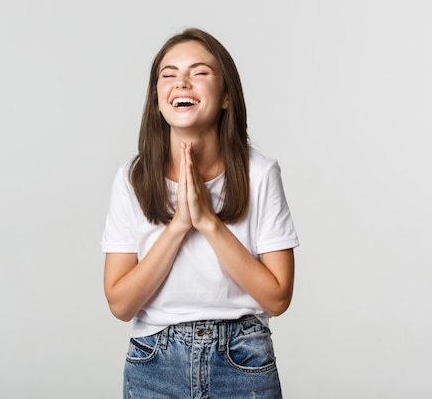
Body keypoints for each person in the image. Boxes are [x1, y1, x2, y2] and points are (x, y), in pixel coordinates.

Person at [101, 27, 299, 399]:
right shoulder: (133, 178)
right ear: (158, 99)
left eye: (200, 72)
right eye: (169, 74)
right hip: (154, 364)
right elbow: (120, 303)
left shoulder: (260, 174)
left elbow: (277, 298)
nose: (182, 83)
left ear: (226, 95)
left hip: (243, 361)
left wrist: (208, 222)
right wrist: (178, 228)